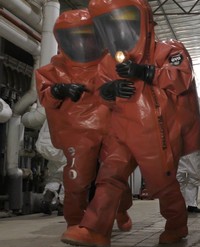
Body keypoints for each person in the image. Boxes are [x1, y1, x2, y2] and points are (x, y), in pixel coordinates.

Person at [60, 0, 200, 247]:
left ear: (144, 22)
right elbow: (100, 91)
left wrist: (146, 72)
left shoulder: (168, 50)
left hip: (156, 129)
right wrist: (110, 88)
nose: (119, 30)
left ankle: (176, 224)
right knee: (109, 177)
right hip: (121, 129)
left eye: (125, 21)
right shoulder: (108, 62)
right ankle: (95, 230)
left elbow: (181, 79)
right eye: (111, 24)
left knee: (163, 182)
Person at [35, 9, 134, 233]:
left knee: (114, 176)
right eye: (76, 36)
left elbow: (133, 91)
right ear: (63, 39)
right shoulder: (52, 70)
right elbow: (45, 97)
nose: (82, 42)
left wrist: (120, 88)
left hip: (112, 128)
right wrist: (58, 90)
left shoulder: (113, 63)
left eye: (87, 35)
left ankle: (120, 210)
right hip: (78, 133)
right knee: (76, 181)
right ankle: (75, 223)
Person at [177, 98, 200, 213]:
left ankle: (191, 204)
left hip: (191, 152)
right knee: (179, 177)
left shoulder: (195, 100)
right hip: (181, 151)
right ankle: (180, 204)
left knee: (194, 177)